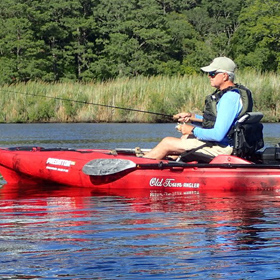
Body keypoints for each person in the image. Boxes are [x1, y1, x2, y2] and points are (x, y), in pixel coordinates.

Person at [143, 56, 253, 160]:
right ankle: (167, 163)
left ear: (225, 76)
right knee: (185, 138)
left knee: (167, 142)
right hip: (225, 144)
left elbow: (218, 135)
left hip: (223, 148)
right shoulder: (232, 94)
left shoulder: (229, 98)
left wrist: (192, 129)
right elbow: (219, 122)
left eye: (212, 73)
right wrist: (192, 117)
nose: (209, 76)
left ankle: (141, 166)